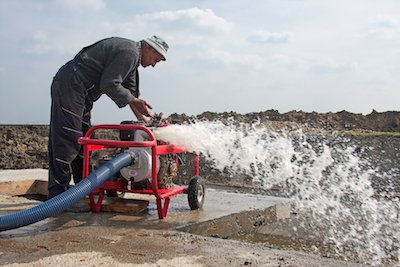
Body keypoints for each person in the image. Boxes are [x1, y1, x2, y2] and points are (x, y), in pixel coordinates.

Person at [47, 36, 168, 199]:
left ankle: (82, 191)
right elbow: (109, 84)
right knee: (68, 139)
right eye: (156, 59)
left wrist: (146, 123)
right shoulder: (129, 52)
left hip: (83, 93)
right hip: (71, 85)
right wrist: (133, 101)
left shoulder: (133, 62)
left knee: (86, 141)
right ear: (149, 49)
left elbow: (131, 98)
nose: (154, 64)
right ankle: (57, 196)